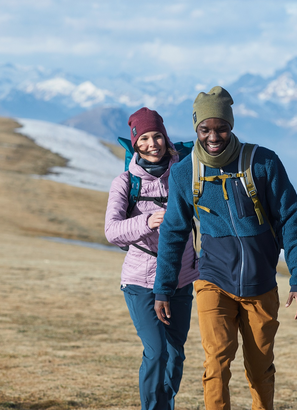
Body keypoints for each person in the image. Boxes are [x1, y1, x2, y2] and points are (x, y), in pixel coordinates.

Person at [153, 87, 297, 410]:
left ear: (232, 125)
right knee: (216, 364)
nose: (214, 136)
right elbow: (173, 233)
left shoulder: (263, 163)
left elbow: (290, 221)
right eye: (205, 129)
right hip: (212, 279)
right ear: (196, 128)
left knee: (260, 369)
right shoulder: (186, 173)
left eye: (221, 128)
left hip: (261, 284)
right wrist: (163, 289)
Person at [105, 107, 199, 410]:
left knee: (175, 354)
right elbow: (112, 231)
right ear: (135, 143)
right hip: (140, 281)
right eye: (144, 138)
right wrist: (148, 221)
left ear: (166, 138)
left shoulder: (184, 173)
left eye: (157, 136)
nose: (152, 143)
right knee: (156, 351)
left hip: (180, 279)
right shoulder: (124, 183)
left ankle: (164, 405)